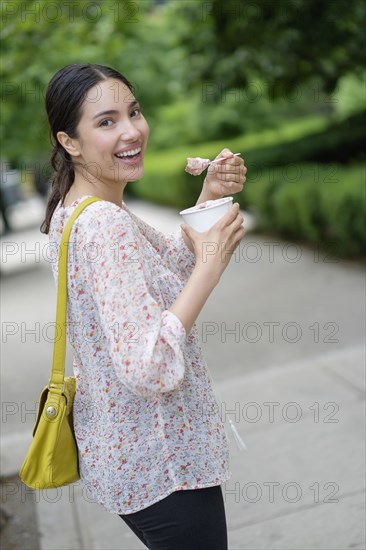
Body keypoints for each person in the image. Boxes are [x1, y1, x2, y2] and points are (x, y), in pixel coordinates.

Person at [40, 63, 247, 550]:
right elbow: (149, 367)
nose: (132, 130)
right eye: (106, 121)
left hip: (132, 456)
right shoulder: (103, 226)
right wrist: (210, 267)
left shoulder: (81, 211)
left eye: (133, 112)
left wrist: (209, 196)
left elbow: (164, 269)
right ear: (69, 141)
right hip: (161, 460)